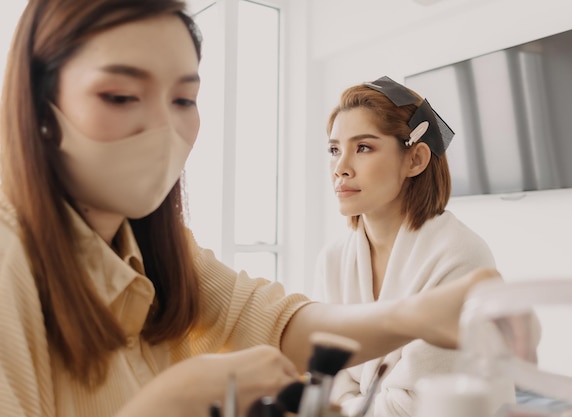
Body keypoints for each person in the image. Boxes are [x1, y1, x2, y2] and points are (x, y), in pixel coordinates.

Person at [0, 2, 500, 417]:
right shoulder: (10, 265)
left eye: (183, 99)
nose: (164, 128)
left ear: (415, 158)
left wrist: (422, 314)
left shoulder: (160, 251)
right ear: (39, 104)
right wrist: (173, 401)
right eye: (120, 95)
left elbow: (280, 326)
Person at [313, 76, 499, 417]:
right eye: (334, 149)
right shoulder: (333, 260)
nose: (340, 168)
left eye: (363, 147)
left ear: (415, 159)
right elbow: (328, 380)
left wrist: (342, 407)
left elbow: (415, 406)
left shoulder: (460, 257)